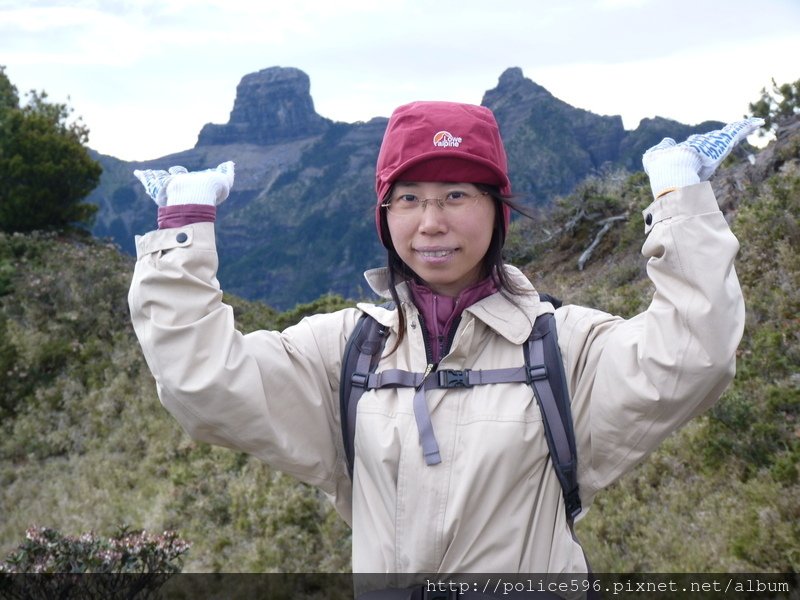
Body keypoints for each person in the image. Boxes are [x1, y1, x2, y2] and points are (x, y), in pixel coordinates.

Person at [129, 101, 759, 595]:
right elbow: (204, 384)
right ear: (385, 216)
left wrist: (681, 203)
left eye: (457, 195)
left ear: (497, 212)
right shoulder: (343, 354)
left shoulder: (564, 348)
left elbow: (692, 357)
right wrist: (183, 232)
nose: (431, 222)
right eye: (409, 199)